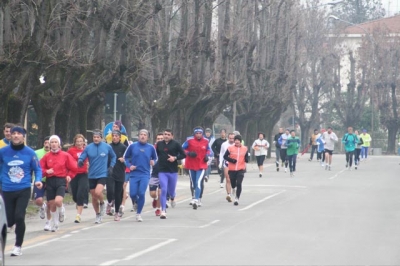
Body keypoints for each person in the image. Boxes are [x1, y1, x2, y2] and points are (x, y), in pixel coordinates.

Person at [0, 125, 43, 256]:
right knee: (6, 221)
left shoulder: (30, 152)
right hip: (6, 189)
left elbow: (38, 169)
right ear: (10, 136)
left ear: (23, 136)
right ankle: (2, 247)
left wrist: (38, 180)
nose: (16, 135)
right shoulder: (3, 152)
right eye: (14, 133)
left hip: (23, 189)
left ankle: (17, 245)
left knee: (19, 216)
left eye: (19, 133)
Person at [78, 130, 116, 224]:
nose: (96, 139)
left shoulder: (107, 147)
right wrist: (81, 160)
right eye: (94, 137)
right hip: (92, 174)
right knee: (94, 197)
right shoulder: (88, 147)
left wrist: (111, 166)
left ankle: (103, 203)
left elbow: (114, 157)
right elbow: (83, 156)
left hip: (103, 174)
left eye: (98, 137)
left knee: (98, 192)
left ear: (101, 138)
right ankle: (98, 214)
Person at [40, 135, 77, 232]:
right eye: (52, 142)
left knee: (58, 201)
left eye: (56, 142)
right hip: (50, 181)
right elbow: (40, 169)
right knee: (51, 203)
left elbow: (74, 168)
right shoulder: (46, 156)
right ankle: (55, 224)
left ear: (59, 144)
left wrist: (69, 175)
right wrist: (46, 171)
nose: (53, 144)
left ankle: (61, 210)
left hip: (61, 180)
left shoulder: (65, 155)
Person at [124, 129, 157, 222]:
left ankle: (138, 214)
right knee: (133, 194)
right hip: (134, 174)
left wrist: (153, 162)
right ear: (138, 136)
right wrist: (129, 166)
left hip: (145, 174)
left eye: (145, 135)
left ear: (148, 137)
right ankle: (136, 202)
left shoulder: (151, 148)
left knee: (141, 193)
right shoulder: (132, 146)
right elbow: (125, 157)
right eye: (141, 134)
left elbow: (155, 158)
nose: (142, 136)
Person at [155, 129, 185, 219]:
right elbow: (156, 155)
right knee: (163, 190)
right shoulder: (159, 144)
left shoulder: (176, 144)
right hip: (162, 171)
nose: (166, 136)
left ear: (172, 136)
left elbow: (184, 154)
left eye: (168, 134)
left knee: (171, 191)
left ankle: (172, 197)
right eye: (165, 134)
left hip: (173, 171)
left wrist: (175, 158)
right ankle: (163, 210)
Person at [182, 126, 211, 209]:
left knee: (198, 182)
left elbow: (209, 150)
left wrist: (207, 155)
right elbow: (182, 149)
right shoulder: (189, 141)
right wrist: (188, 153)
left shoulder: (206, 141)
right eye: (197, 133)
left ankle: (196, 199)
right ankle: (195, 197)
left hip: (201, 165)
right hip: (191, 165)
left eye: (200, 133)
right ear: (194, 134)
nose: (198, 135)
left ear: (202, 134)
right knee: (193, 183)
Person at [67, 134, 89, 223]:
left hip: (84, 174)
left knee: (81, 193)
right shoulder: (71, 151)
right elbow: (67, 161)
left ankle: (78, 215)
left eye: (81, 141)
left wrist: (89, 165)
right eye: (77, 141)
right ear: (75, 142)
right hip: (74, 174)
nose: (79, 143)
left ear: (84, 142)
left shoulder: (87, 150)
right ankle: (78, 202)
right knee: (75, 196)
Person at [106, 130, 127, 221]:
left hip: (120, 172)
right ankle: (110, 202)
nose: (114, 137)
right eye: (113, 136)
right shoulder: (108, 147)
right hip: (110, 172)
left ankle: (117, 212)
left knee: (118, 193)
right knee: (110, 190)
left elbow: (129, 158)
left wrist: (124, 160)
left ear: (120, 137)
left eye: (116, 136)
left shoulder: (124, 147)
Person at [223, 135, 249, 206]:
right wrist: (231, 160)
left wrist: (247, 159)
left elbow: (246, 157)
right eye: (236, 140)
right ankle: (233, 188)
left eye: (238, 140)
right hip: (232, 169)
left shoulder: (245, 148)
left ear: (240, 141)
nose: (237, 141)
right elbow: (225, 156)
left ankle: (237, 199)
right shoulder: (230, 148)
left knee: (239, 183)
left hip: (241, 169)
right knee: (233, 183)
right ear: (234, 141)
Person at [33, 136, 52, 230]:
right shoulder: (37, 153)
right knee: (38, 200)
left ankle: (48, 222)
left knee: (50, 202)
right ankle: (42, 206)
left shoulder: (54, 154)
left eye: (49, 143)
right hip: (39, 180)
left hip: (50, 180)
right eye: (45, 143)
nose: (47, 145)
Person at [150, 133, 164, 216]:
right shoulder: (152, 148)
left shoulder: (167, 148)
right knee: (153, 194)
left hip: (163, 173)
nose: (160, 140)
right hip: (154, 174)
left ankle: (158, 209)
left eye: (161, 139)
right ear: (156, 140)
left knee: (160, 193)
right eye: (158, 139)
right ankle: (155, 199)